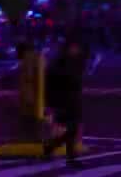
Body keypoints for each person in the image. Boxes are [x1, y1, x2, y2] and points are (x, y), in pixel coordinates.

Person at [43, 33, 87, 168]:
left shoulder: (73, 61)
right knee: (71, 128)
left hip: (71, 99)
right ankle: (69, 157)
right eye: (74, 47)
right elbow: (51, 82)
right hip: (63, 100)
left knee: (71, 129)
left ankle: (52, 148)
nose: (76, 50)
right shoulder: (59, 63)